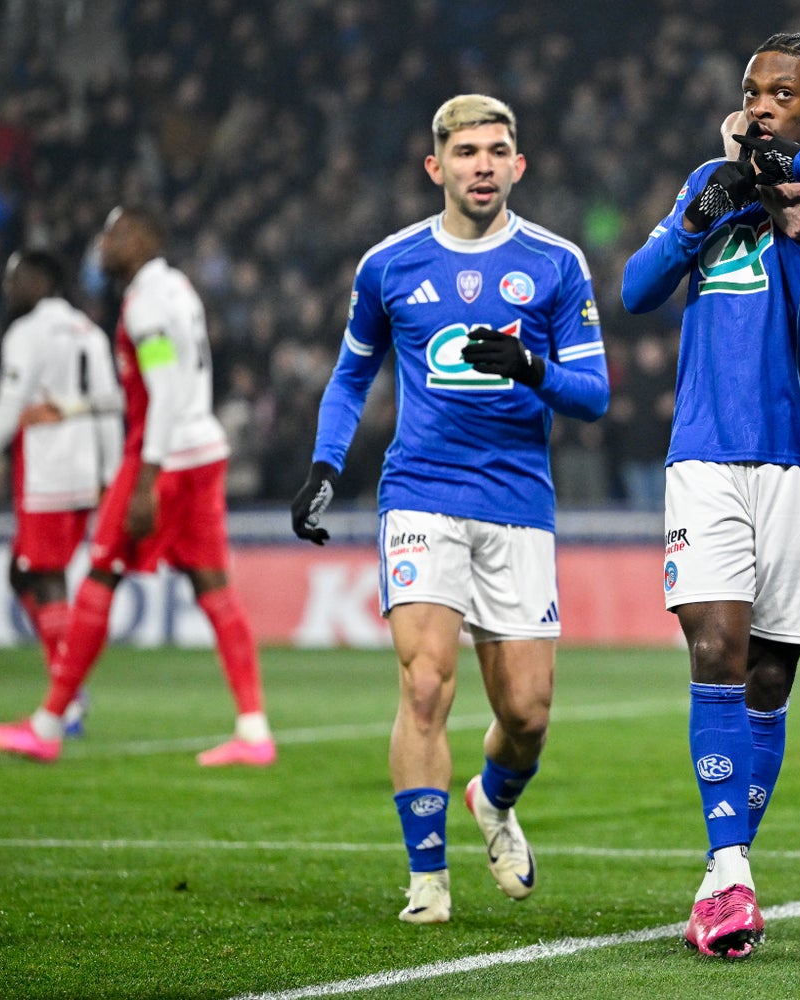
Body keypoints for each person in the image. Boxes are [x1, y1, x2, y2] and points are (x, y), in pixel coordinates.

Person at [290, 94, 609, 925]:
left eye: (497, 151)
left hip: (518, 505)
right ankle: (426, 878)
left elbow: (596, 396)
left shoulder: (557, 263)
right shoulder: (389, 265)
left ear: (519, 165)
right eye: (466, 152)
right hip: (422, 493)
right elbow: (352, 373)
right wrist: (327, 464)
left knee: (528, 715)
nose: (482, 165)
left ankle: (494, 800)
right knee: (426, 684)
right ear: (436, 166)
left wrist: (531, 367)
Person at [621, 33, 800, 959]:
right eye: (753, 89)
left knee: (771, 679)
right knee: (717, 644)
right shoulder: (714, 183)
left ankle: (718, 878)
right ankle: (733, 866)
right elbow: (636, 289)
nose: (764, 102)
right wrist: (712, 206)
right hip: (708, 454)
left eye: (785, 92)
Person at [0, 207, 273, 768]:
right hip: (202, 448)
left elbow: (160, 391)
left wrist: (146, 482)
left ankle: (48, 724)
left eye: (110, 234)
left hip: (165, 458)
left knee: (98, 578)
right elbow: (171, 380)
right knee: (214, 589)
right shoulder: (177, 290)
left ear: (139, 238)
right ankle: (253, 730)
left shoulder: (146, 305)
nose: (101, 245)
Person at [0, 250, 122, 731]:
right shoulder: (89, 331)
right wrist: (110, 473)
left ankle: (67, 701)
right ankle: (68, 694)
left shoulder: (27, 333)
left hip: (45, 469)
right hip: (85, 469)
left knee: (44, 578)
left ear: (43, 279)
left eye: (15, 277)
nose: (8, 287)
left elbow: (9, 406)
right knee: (27, 575)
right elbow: (111, 404)